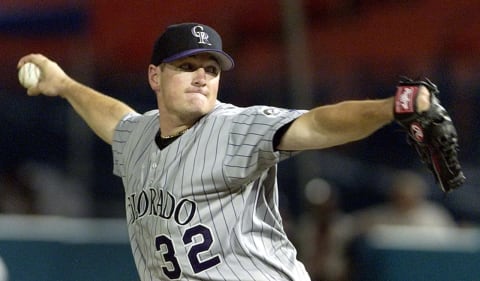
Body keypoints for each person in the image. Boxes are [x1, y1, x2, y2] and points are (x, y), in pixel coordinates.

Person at [17, 22, 432, 281]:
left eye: (212, 70)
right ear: (154, 77)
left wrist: (391, 106)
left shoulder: (235, 127)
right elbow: (114, 120)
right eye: (187, 66)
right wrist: (65, 85)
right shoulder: (140, 135)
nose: (202, 77)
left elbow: (319, 123)